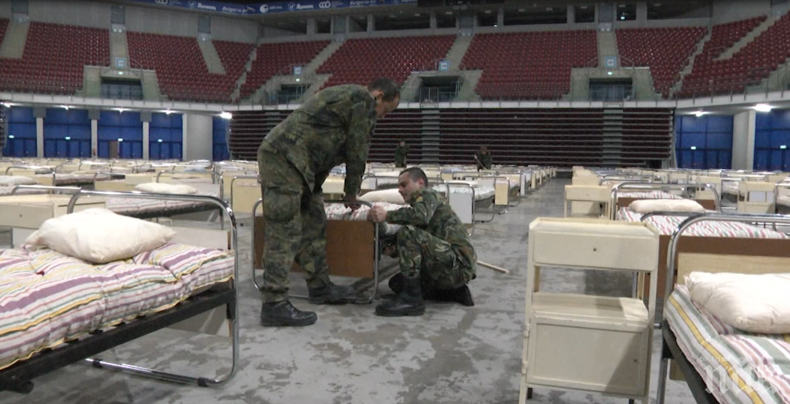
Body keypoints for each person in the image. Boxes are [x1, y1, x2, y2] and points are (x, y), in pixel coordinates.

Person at [258, 78, 401, 327]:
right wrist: (351, 192)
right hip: (283, 158)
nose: (384, 117)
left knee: (315, 220)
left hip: (302, 167)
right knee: (284, 230)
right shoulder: (362, 100)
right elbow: (358, 149)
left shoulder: (351, 100)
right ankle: (274, 303)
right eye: (386, 111)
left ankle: (320, 287)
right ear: (378, 97)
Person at [367, 167, 476, 317]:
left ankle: (412, 301)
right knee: (397, 283)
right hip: (452, 265)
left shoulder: (426, 194)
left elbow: (420, 217)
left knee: (408, 232)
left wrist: (387, 215)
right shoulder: (423, 203)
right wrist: (395, 249)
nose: (399, 190)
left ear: (420, 183)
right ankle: (452, 292)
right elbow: (423, 240)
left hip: (458, 263)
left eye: (404, 185)